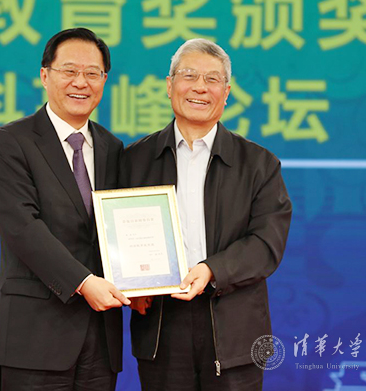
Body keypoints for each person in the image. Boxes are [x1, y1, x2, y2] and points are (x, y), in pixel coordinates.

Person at [120, 38, 292, 390]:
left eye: (212, 79)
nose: (200, 87)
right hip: (160, 325)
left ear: (226, 93)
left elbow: (266, 244)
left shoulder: (259, 164)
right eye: (189, 75)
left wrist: (211, 270)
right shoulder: (134, 160)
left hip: (234, 329)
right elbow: (111, 233)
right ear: (169, 85)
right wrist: (129, 282)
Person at [0, 27, 130, 391]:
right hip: (34, 336)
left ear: (104, 80)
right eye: (69, 71)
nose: (81, 82)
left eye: (92, 73)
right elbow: (22, 228)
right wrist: (84, 282)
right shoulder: (10, 142)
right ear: (45, 75)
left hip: (100, 338)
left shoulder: (113, 148)